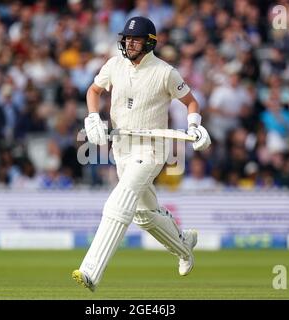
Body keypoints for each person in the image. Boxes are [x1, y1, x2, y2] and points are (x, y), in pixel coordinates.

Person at [72, 16, 211, 291]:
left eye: (135, 39)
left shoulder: (165, 72)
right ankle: (184, 246)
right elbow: (94, 90)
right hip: (122, 147)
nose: (129, 43)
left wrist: (194, 126)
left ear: (150, 42)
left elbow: (191, 102)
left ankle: (90, 270)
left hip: (152, 148)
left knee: (119, 201)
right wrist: (92, 118)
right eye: (127, 38)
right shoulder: (114, 65)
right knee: (144, 215)